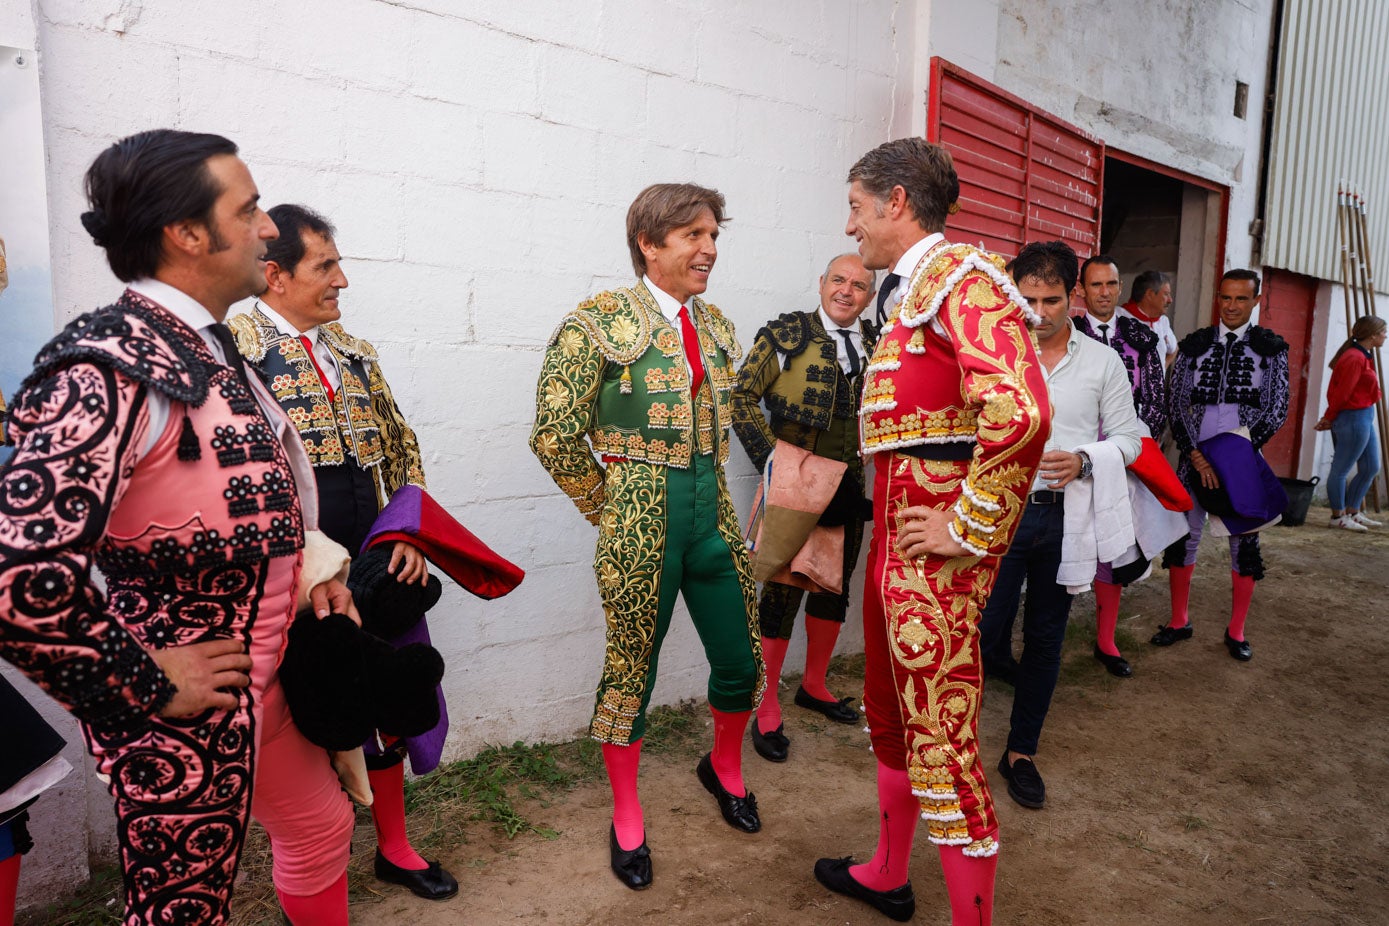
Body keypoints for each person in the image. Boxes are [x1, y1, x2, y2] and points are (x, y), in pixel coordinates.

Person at [0, 130, 360, 925]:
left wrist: (315, 576)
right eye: (251, 208)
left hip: (255, 682)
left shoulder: (203, 347)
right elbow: (21, 582)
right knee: (181, 910)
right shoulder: (106, 367)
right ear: (189, 234)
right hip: (183, 707)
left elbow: (254, 504)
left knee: (321, 824)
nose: (269, 228)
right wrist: (145, 680)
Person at [812, 138, 1050, 926]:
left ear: (896, 203)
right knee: (889, 709)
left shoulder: (962, 282)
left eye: (855, 206)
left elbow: (1020, 413)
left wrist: (967, 524)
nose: (851, 227)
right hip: (898, 541)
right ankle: (886, 870)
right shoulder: (916, 291)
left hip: (932, 547)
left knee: (941, 735)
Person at [529, 183, 764, 891]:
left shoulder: (717, 324)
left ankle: (722, 765)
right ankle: (626, 811)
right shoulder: (596, 320)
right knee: (632, 669)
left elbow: (735, 417)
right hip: (641, 511)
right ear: (649, 243)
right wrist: (612, 506)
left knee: (741, 657)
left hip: (711, 510)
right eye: (694, 235)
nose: (709, 249)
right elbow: (552, 432)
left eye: (714, 235)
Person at [229, 204, 456, 900]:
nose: (342, 281)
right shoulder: (235, 345)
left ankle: (394, 845)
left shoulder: (353, 351)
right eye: (325, 267)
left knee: (383, 696)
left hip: (367, 559)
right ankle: (307, 860)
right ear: (275, 275)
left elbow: (401, 445)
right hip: (289, 575)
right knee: (307, 717)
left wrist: (406, 530)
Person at [977, 241, 1142, 812]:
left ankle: (1020, 753)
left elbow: (1131, 437)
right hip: (996, 516)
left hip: (1063, 517)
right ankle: (954, 752)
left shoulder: (1102, 362)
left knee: (1045, 639)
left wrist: (1085, 460)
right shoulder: (989, 354)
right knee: (977, 631)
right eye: (1027, 299)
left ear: (1072, 295)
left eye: (1051, 300)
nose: (1039, 313)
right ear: (1010, 291)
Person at [731, 253, 878, 762]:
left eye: (859, 285)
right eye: (839, 280)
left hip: (852, 480)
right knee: (782, 591)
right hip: (797, 478)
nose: (847, 291)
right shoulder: (786, 335)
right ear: (821, 284)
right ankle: (765, 704)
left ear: (870, 296)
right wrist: (777, 464)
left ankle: (813, 685)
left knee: (834, 584)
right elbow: (740, 397)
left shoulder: (880, 343)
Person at [1153, 269, 1289, 661]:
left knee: (1244, 541)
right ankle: (1179, 620)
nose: (1232, 306)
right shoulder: (1195, 344)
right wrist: (1194, 453)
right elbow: (1175, 402)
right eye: (1226, 298)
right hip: (1194, 455)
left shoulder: (1271, 348)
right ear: (1218, 297)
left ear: (1255, 301)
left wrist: (1238, 455)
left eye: (1241, 299)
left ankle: (1237, 630)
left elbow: (1276, 407)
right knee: (1185, 535)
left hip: (1243, 456)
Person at [1072, 254, 1168, 677]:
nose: (1105, 292)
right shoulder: (1067, 332)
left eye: (1111, 284)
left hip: (1122, 457)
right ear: (1082, 291)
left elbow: (1156, 398)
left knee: (1113, 543)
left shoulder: (1141, 337)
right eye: (1096, 286)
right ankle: (1049, 635)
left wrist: (1127, 444)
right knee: (1066, 539)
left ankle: (1105, 640)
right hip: (1074, 456)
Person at [1315, 315, 1386, 531]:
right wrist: (1329, 417)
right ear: (1372, 335)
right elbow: (1341, 394)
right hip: (1352, 418)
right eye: (1383, 332)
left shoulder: (1363, 355)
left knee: (1371, 466)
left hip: (1364, 415)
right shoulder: (1354, 358)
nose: (1385, 335)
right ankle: (1338, 517)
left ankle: (1353, 512)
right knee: (1341, 469)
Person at [1120, 270, 1179, 365]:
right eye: (1166, 294)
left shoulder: (1163, 321)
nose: (1170, 300)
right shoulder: (1120, 316)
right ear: (1150, 294)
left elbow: (1174, 349)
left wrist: (1162, 371)